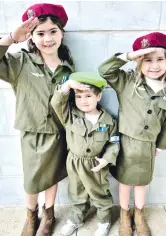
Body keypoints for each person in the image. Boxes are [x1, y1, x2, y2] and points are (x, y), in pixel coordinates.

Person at [0, 3, 74, 236]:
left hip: (60, 130)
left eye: (53, 31)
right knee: (32, 178)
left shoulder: (67, 66)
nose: (48, 39)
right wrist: (12, 38)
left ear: (62, 33)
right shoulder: (21, 61)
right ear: (31, 37)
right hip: (33, 130)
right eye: (40, 33)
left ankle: (49, 214)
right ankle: (31, 215)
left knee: (53, 174)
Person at [98, 32, 166, 236]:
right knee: (125, 182)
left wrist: (160, 144)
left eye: (160, 59)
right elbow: (105, 70)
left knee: (141, 182)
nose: (154, 65)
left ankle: (139, 214)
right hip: (127, 144)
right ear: (139, 62)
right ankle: (125, 214)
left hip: (148, 147)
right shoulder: (127, 82)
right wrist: (128, 56)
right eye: (147, 60)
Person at [51, 72, 120, 236]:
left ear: (98, 96)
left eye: (88, 95)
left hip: (96, 164)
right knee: (76, 193)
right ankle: (76, 219)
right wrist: (67, 86)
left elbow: (114, 142)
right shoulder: (70, 116)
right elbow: (57, 102)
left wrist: (106, 159)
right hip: (75, 163)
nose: (83, 101)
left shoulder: (109, 121)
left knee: (100, 194)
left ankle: (104, 221)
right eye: (79, 96)